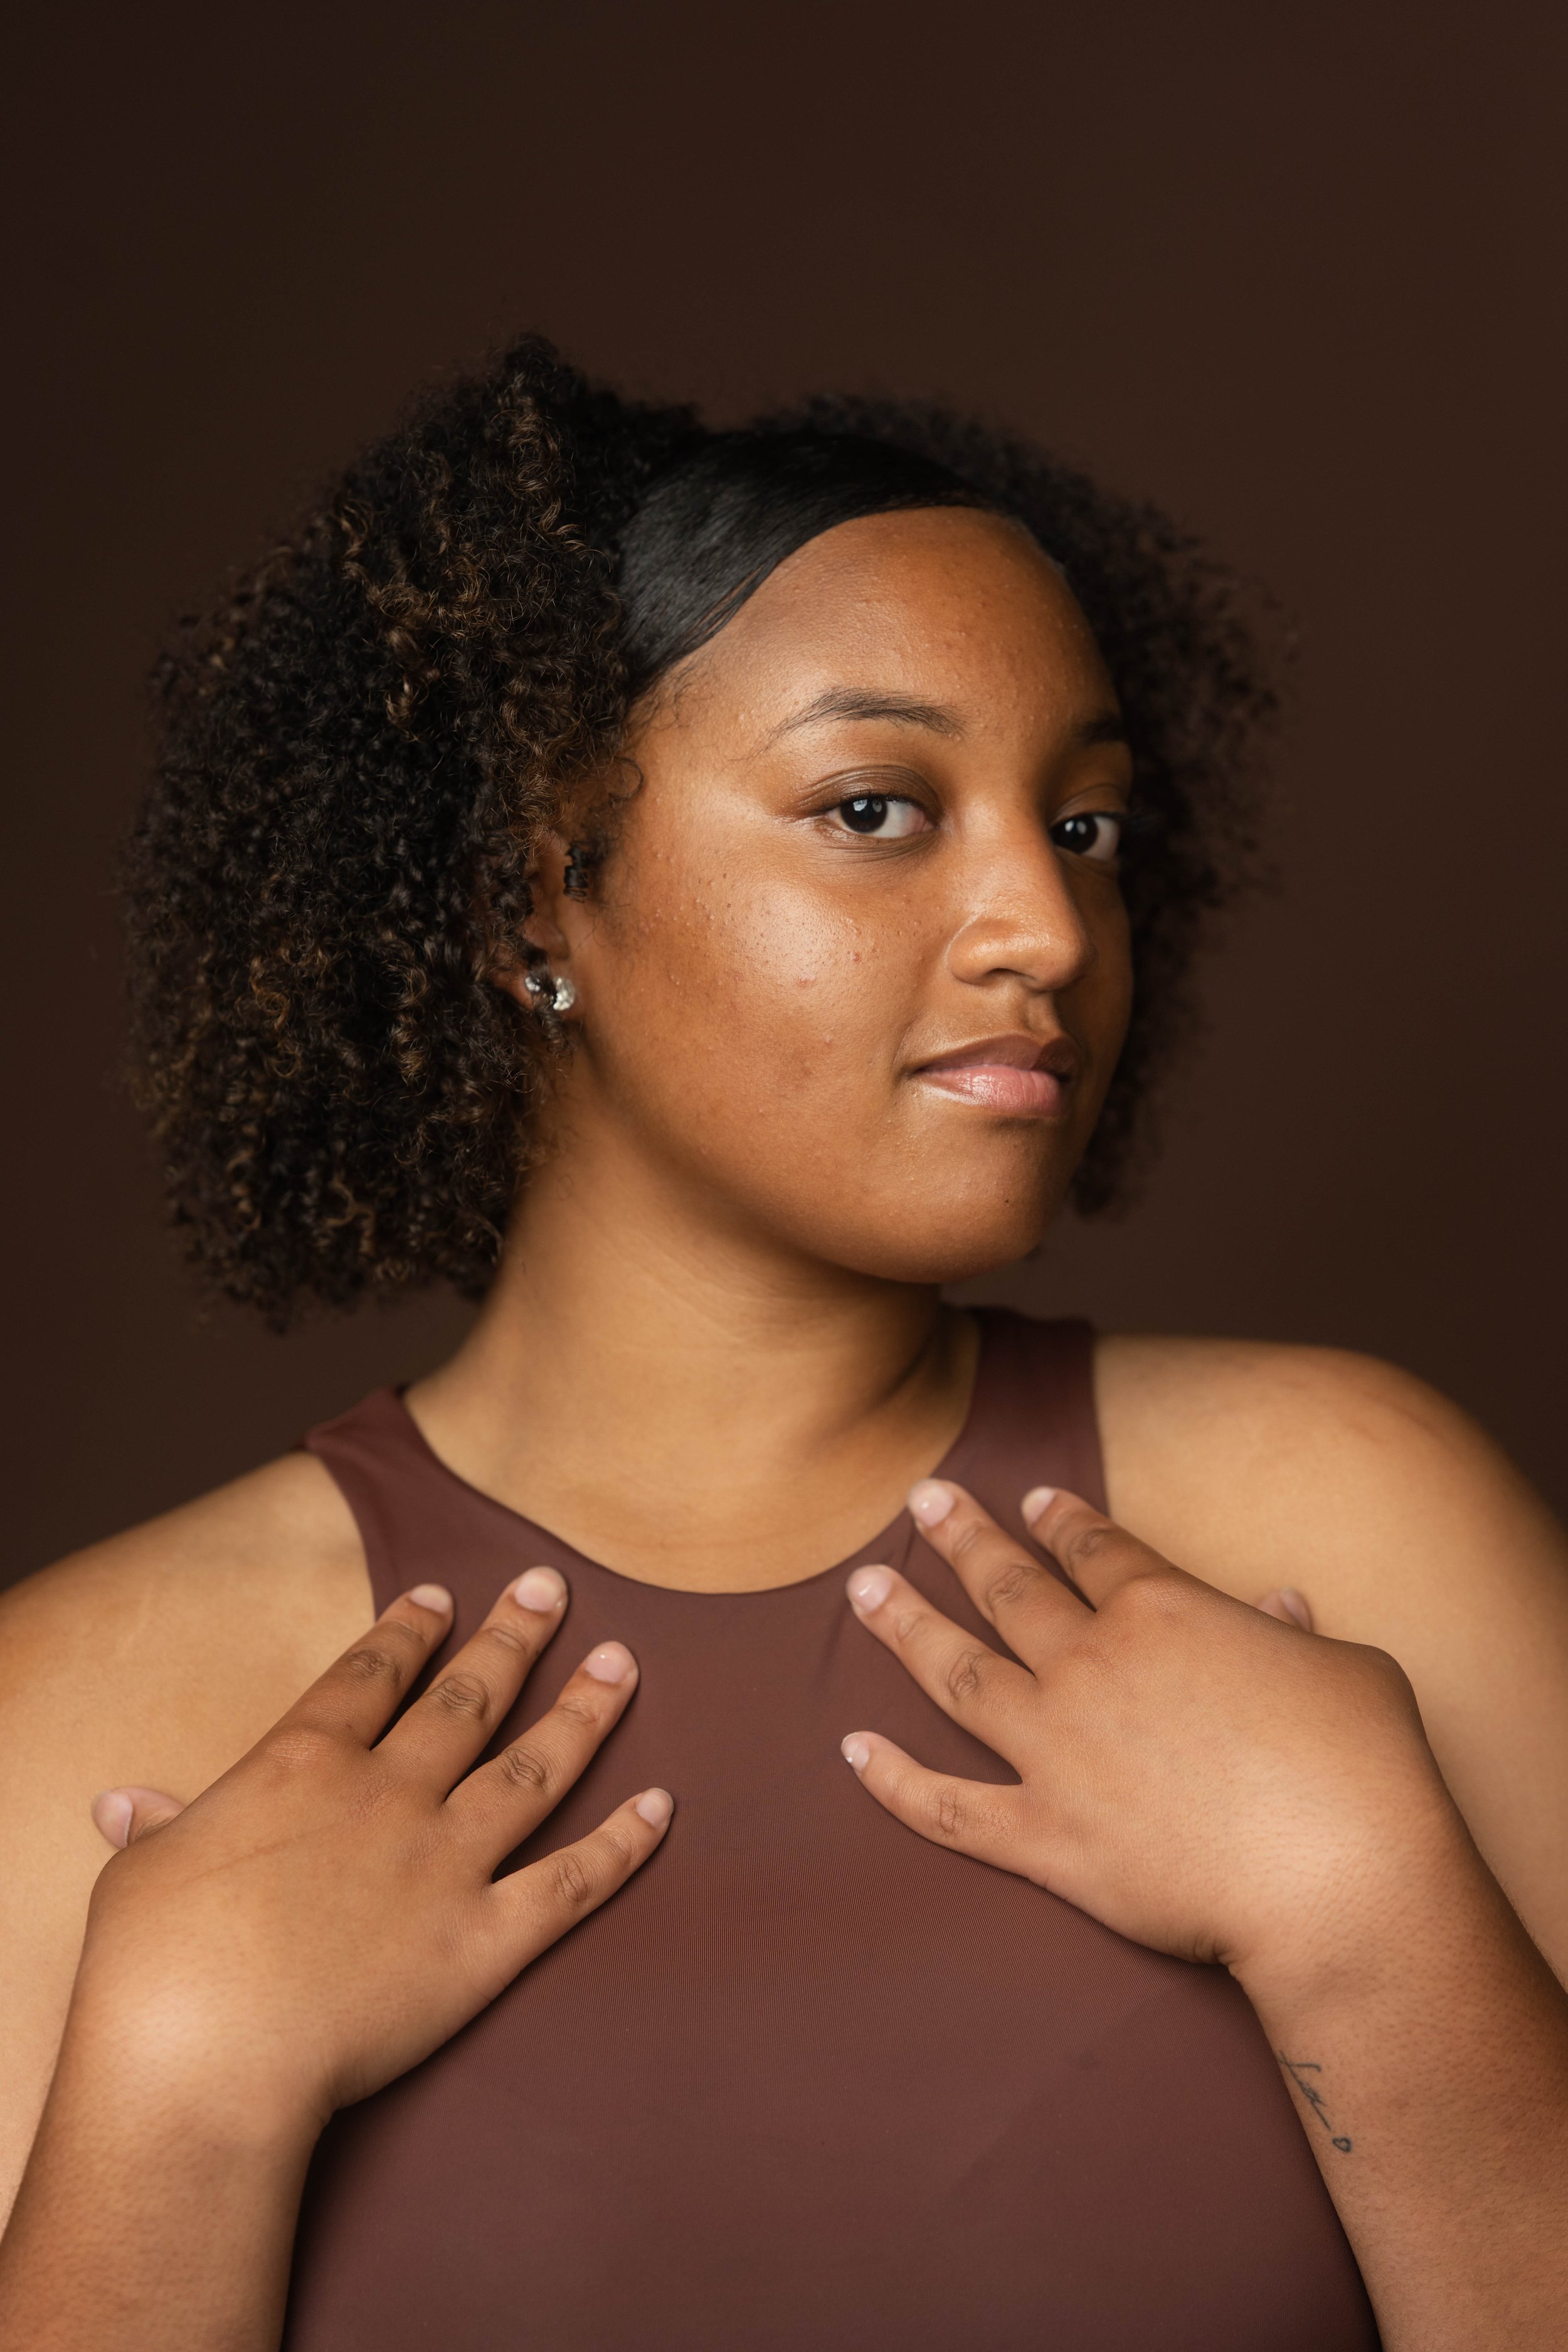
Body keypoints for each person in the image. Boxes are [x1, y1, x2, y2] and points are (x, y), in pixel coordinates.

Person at [0, 335, 1564, 2352]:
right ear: (527, 896)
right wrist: (182, 2099)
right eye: (874, 807)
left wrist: (1370, 1918)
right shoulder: (81, 1715)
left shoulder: (1351, 1522)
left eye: (1085, 828)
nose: (1046, 929)